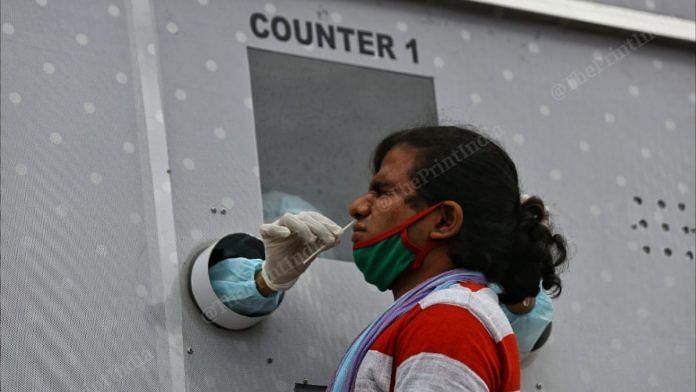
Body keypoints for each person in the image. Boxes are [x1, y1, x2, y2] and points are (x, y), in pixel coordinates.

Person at [214, 125, 568, 391]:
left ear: (443, 221)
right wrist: (265, 281)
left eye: (382, 191)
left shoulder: (450, 322)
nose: (357, 207)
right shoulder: (442, 313)